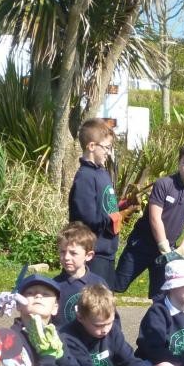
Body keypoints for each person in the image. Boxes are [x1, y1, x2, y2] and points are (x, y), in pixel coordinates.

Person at [113, 141, 184, 298]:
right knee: (117, 284)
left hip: (167, 254)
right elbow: (154, 217)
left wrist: (180, 252)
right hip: (141, 245)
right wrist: (163, 246)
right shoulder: (164, 184)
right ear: (179, 163)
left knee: (161, 296)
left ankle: (156, 322)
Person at [68, 119, 122, 281]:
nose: (108, 152)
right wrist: (118, 216)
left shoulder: (102, 172)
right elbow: (89, 219)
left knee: (106, 302)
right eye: (106, 147)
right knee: (95, 303)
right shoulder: (85, 177)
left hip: (107, 250)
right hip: (94, 253)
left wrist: (124, 206)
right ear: (91, 146)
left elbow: (105, 206)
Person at [53, 222, 110, 326]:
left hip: (91, 340)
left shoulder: (98, 284)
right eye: (62, 252)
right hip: (62, 340)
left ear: (88, 256)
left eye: (73, 253)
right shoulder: (53, 285)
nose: (66, 257)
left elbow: (109, 316)